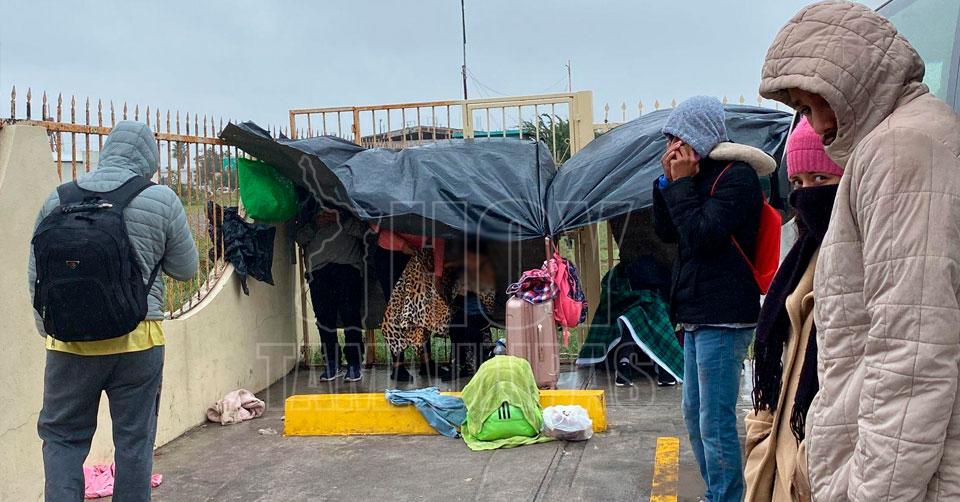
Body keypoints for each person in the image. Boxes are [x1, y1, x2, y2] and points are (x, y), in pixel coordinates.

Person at [759, 2, 960, 500]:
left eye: (809, 107)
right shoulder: (903, 140)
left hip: (904, 478)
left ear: (841, 84)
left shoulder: (901, 148)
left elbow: (910, 357)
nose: (815, 127)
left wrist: (870, 492)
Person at [29, 121, 199, 501]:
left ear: (107, 151)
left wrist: (52, 330)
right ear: (149, 158)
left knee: (62, 439)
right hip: (138, 342)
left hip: (69, 347)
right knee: (134, 441)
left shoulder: (58, 199)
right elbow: (186, 269)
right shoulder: (161, 200)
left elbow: (35, 274)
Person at [653, 95, 775, 502]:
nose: (672, 147)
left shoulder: (737, 178)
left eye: (678, 138)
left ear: (699, 136)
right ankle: (717, 492)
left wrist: (682, 185)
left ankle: (725, 496)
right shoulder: (695, 176)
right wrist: (667, 183)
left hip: (725, 314)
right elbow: (667, 233)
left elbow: (701, 235)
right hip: (695, 311)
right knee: (694, 413)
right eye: (668, 140)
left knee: (715, 419)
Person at [743, 118, 843, 502]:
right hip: (783, 456)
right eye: (798, 183)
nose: (807, 195)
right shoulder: (804, 254)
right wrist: (760, 436)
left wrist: (804, 467)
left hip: (813, 471)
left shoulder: (857, 262)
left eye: (821, 178)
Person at [296, 207, 369, 383]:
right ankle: (331, 363)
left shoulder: (350, 204)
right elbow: (298, 238)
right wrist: (316, 225)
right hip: (318, 271)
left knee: (350, 315)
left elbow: (365, 233)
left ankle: (354, 363)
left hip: (348, 268)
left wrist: (341, 219)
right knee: (324, 319)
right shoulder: (307, 206)